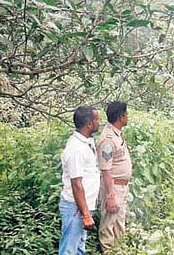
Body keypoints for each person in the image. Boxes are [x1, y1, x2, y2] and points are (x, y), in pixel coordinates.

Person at [59, 106, 101, 255]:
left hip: (82, 207)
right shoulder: (76, 149)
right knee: (69, 250)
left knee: (78, 248)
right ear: (89, 123)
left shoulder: (86, 143)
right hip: (75, 207)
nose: (99, 123)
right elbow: (76, 184)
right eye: (97, 119)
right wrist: (86, 214)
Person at [97, 101, 132, 254]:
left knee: (119, 225)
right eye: (126, 114)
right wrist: (111, 195)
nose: (127, 116)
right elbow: (105, 169)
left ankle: (119, 251)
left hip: (121, 186)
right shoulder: (108, 139)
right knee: (108, 225)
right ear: (121, 117)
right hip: (113, 187)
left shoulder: (117, 135)